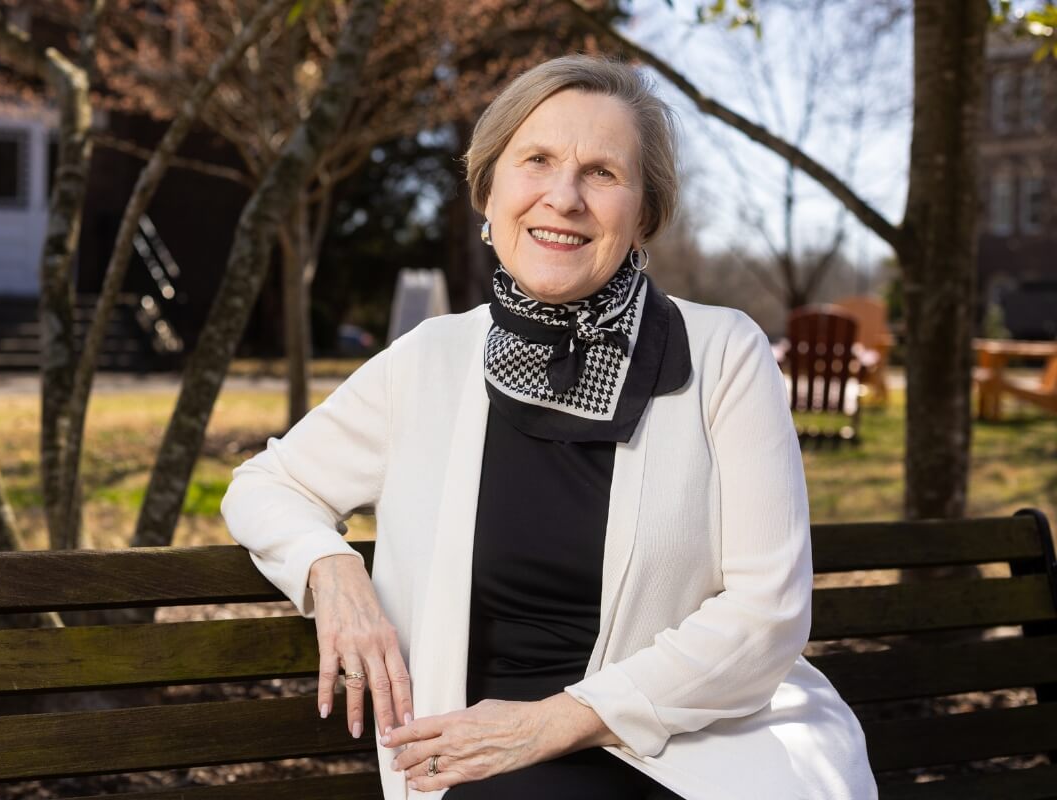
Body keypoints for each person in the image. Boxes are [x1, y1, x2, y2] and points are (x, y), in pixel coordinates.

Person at [222, 55, 876, 800]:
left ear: (644, 214)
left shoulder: (724, 354)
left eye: (602, 173)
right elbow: (267, 484)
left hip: (691, 749)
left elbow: (768, 613)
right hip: (475, 756)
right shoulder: (432, 361)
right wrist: (331, 570)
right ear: (490, 190)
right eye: (536, 160)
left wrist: (556, 721)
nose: (562, 197)